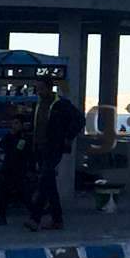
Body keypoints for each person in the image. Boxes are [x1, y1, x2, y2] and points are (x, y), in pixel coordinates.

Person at [25, 78, 85, 232]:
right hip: (39, 148)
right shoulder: (38, 105)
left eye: (41, 88)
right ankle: (57, 220)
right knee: (49, 184)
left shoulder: (61, 104)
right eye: (37, 89)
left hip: (53, 148)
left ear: (49, 88)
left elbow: (79, 120)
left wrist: (67, 137)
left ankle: (35, 217)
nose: (39, 92)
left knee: (44, 181)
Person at [0, 115, 32, 226]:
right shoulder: (10, 136)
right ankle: (2, 216)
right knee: (3, 193)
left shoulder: (23, 138)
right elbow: (2, 144)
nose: (13, 125)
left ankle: (35, 216)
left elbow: (17, 151)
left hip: (18, 169)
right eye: (13, 123)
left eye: (16, 123)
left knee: (23, 194)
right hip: (7, 168)